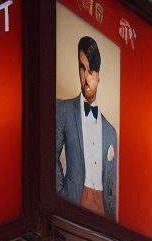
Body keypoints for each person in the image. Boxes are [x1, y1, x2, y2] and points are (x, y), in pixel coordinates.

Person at [54, 35, 118, 220]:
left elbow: (112, 183)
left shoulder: (110, 131)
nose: (86, 77)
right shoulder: (64, 110)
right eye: (82, 68)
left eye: (91, 70)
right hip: (74, 198)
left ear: (98, 76)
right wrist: (62, 193)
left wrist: (111, 215)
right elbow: (51, 154)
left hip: (103, 209)